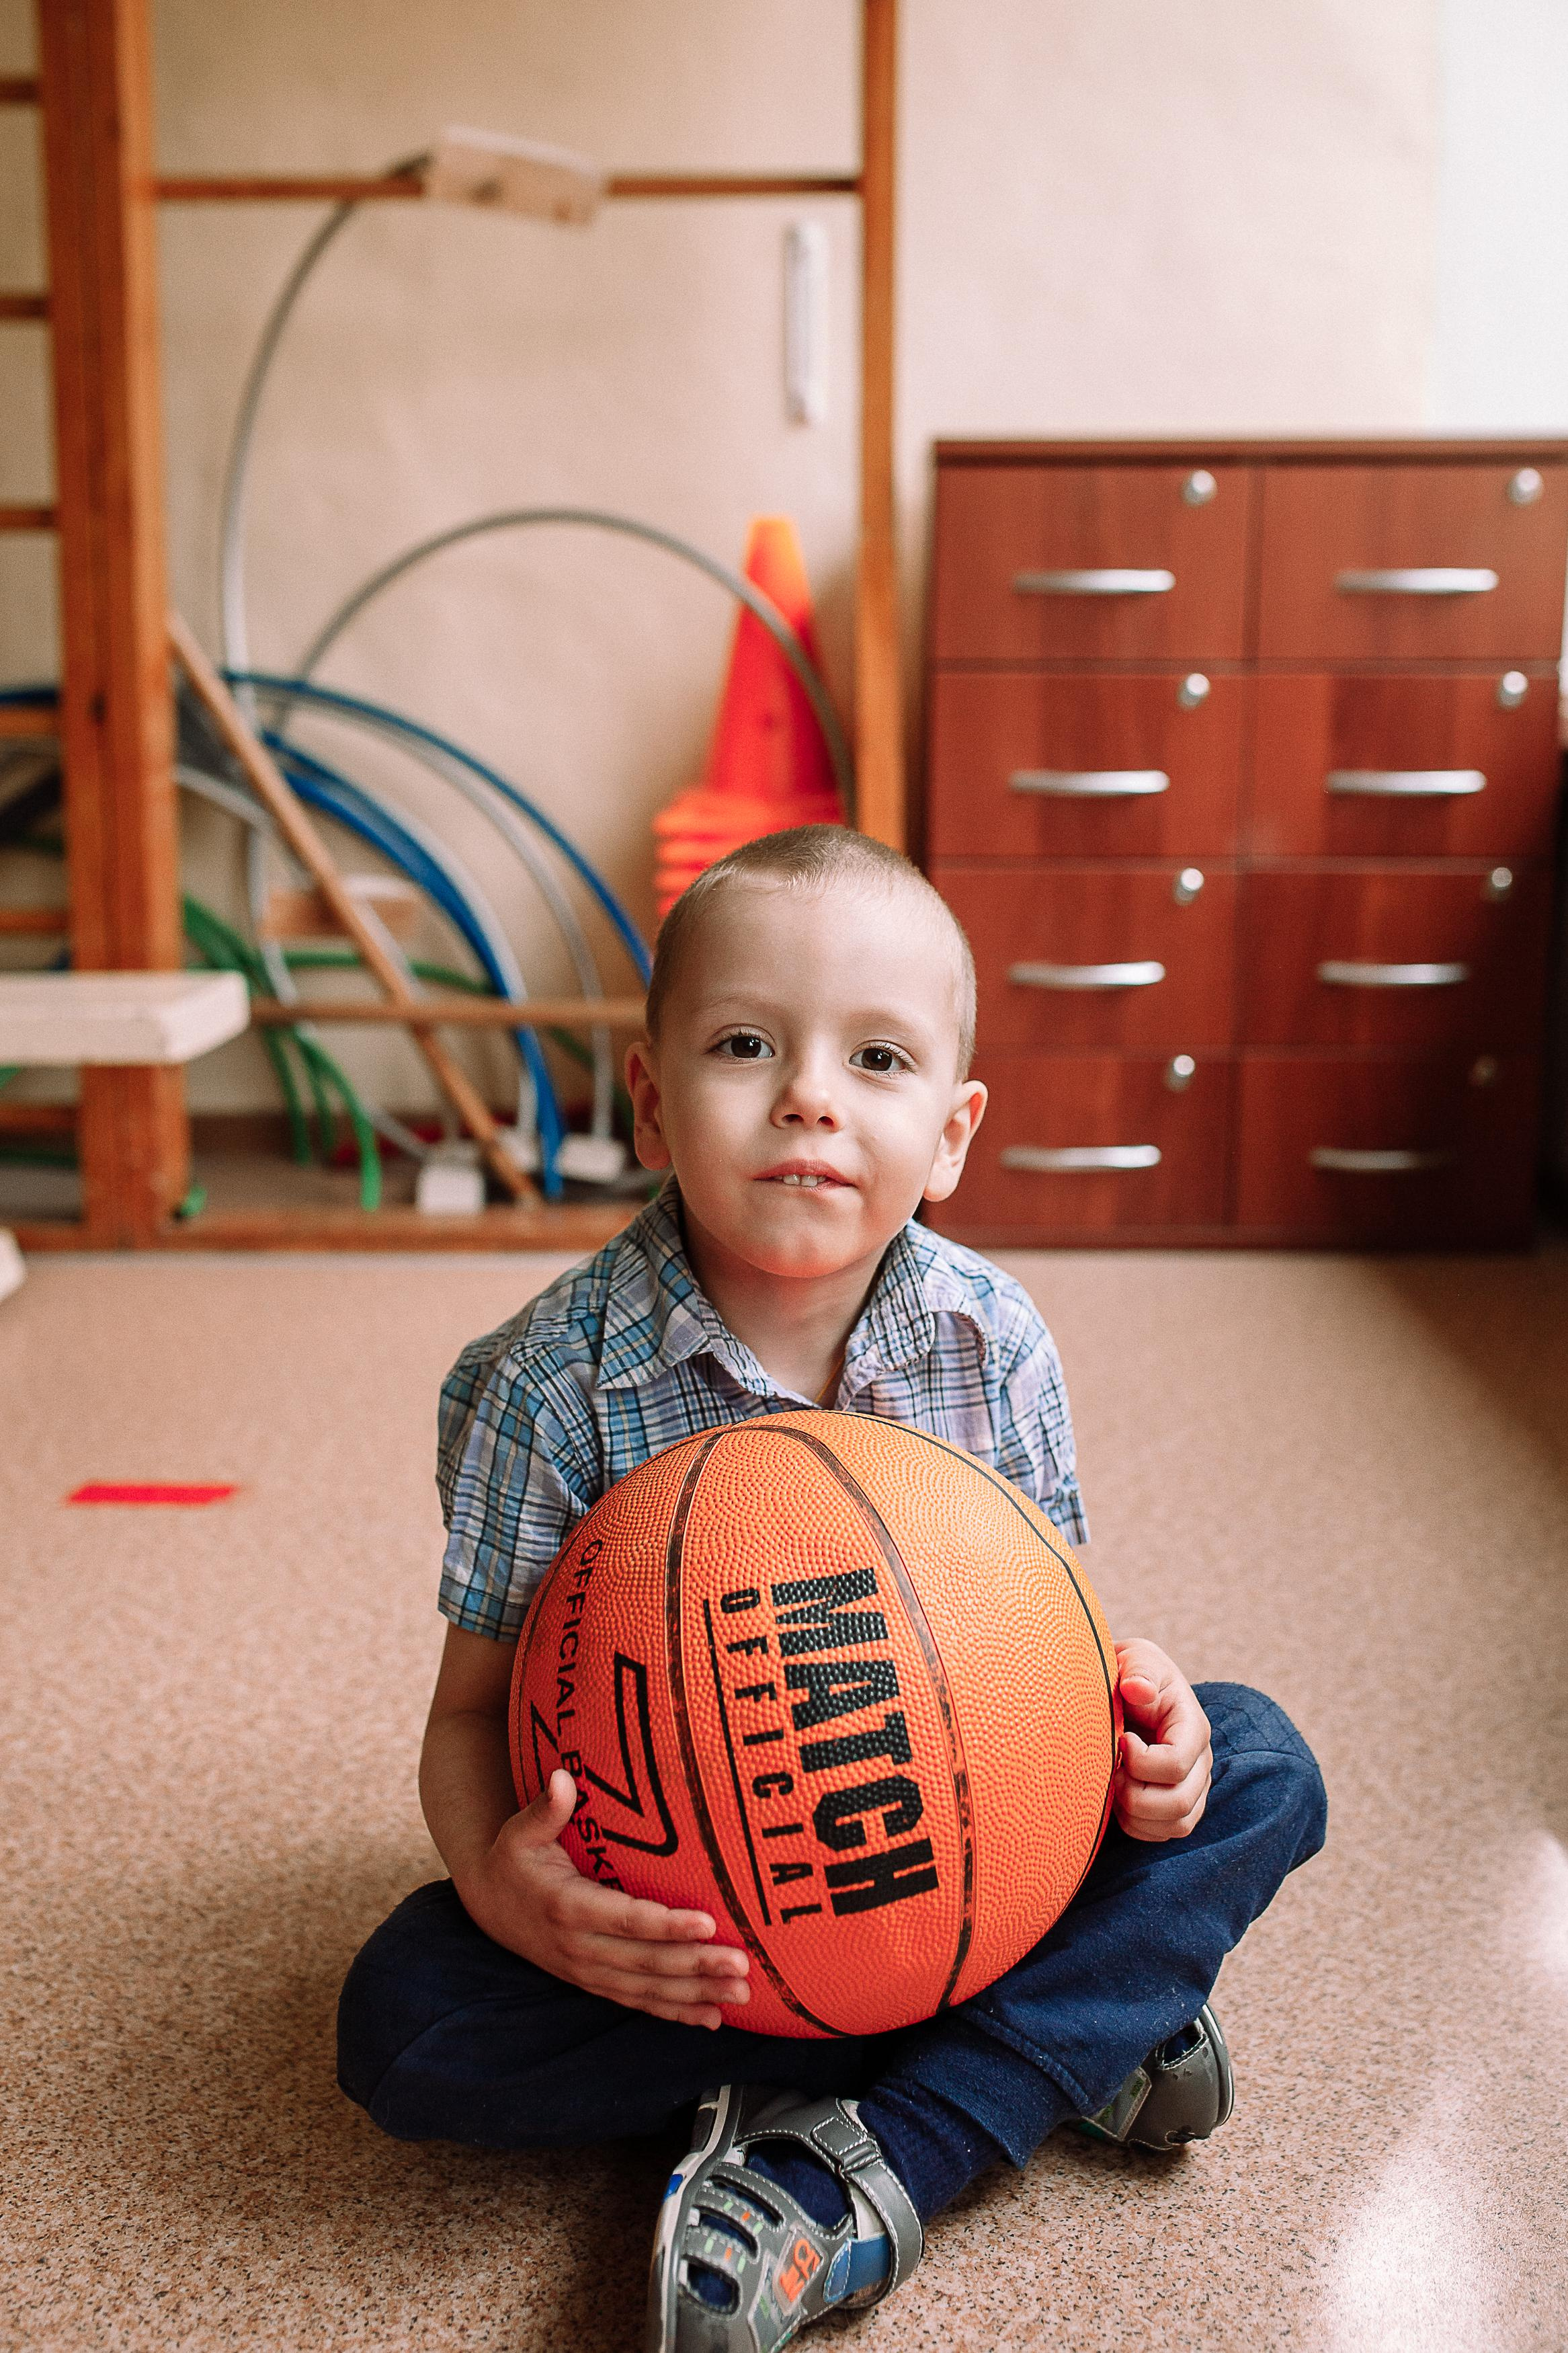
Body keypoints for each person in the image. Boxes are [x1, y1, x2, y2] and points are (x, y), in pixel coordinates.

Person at [337, 827, 1326, 2352]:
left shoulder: (989, 1340)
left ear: (951, 1131)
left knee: (1260, 1762)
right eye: (747, 1043)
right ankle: (1063, 2029)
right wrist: (504, 1889)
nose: (810, 1092)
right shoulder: (543, 1386)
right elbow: (470, 1718)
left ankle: (864, 2156)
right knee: (405, 2021)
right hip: (696, 1925)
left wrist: (1154, 1728)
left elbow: (1061, 1661)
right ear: (654, 1096)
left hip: (967, 1868)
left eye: (877, 1057)